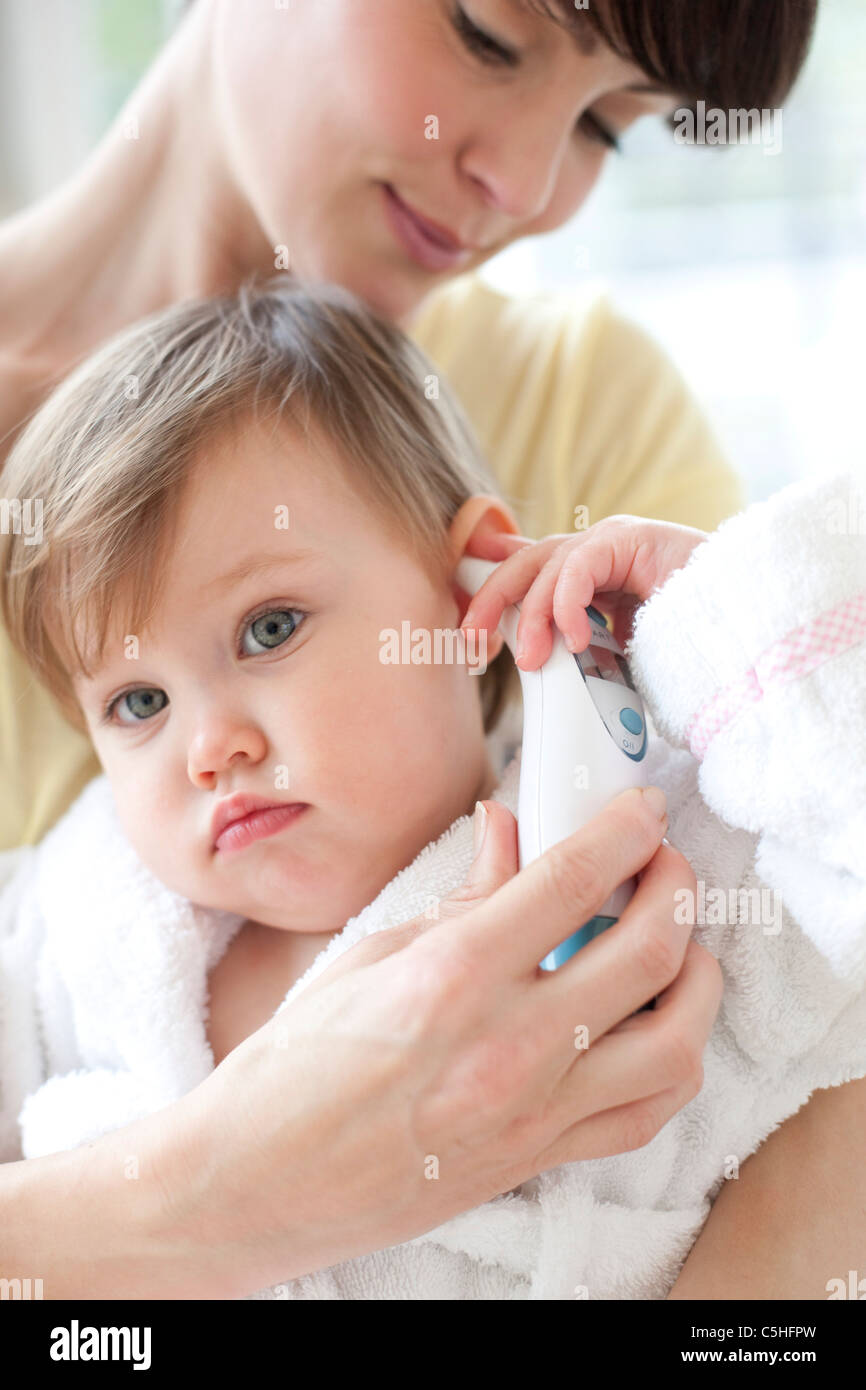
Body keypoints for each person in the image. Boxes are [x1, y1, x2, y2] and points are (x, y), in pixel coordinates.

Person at [1, 0, 859, 1299]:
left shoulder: (590, 430)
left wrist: (729, 627)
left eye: (607, 130)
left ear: (475, 584)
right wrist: (209, 1192)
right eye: (488, 35)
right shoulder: (82, 931)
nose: (520, 183)